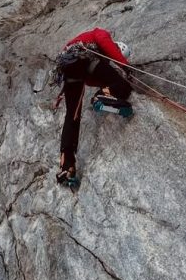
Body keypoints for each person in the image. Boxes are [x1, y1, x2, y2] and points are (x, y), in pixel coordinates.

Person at [54, 28, 132, 188]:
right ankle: (101, 97)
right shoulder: (101, 36)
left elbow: (90, 80)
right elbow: (101, 38)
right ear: (118, 47)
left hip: (68, 66)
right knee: (124, 86)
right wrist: (124, 66)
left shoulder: (83, 46)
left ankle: (66, 166)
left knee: (72, 115)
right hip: (84, 58)